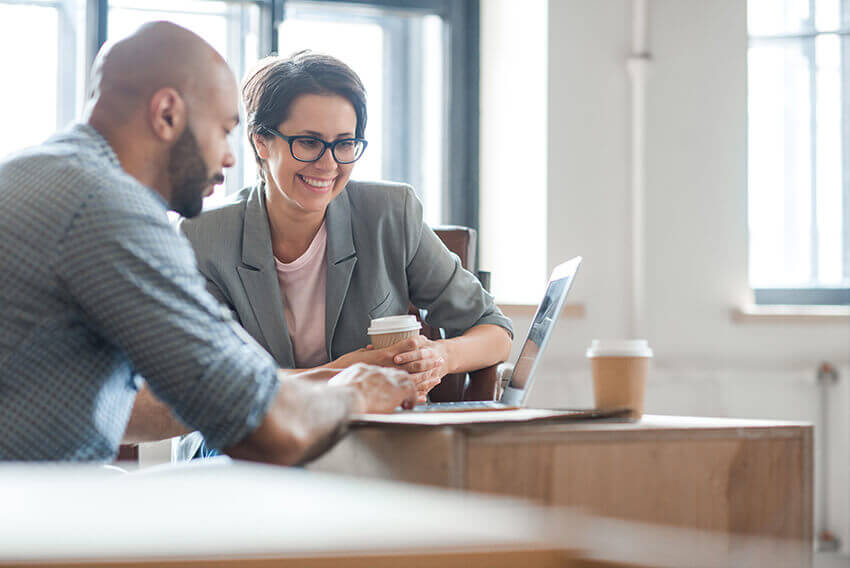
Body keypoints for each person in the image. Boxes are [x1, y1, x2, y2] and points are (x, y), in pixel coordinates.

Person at [0, 22, 415, 463]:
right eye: (223, 129)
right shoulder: (108, 208)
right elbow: (268, 433)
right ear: (167, 114)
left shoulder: (36, 173)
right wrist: (352, 393)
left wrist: (310, 384)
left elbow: (148, 407)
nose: (230, 157)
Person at [178, 52, 514, 409]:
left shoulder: (389, 214)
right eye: (308, 142)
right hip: (246, 435)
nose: (329, 164)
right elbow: (215, 381)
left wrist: (441, 356)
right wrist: (341, 375)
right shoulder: (203, 239)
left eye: (344, 143)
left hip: (372, 437)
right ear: (261, 141)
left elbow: (493, 329)